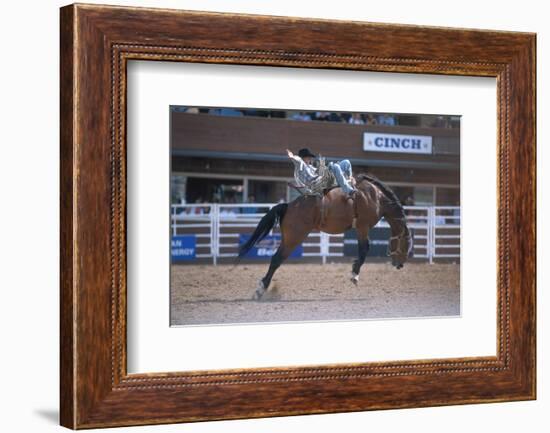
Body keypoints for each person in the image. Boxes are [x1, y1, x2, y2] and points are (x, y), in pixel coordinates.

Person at [286, 147, 357, 197]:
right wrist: (292, 156)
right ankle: (349, 191)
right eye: (308, 157)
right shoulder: (301, 165)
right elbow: (297, 160)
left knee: (346, 162)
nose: (310, 158)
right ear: (303, 157)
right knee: (336, 166)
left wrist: (326, 167)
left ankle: (350, 180)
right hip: (316, 185)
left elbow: (319, 172)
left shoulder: (310, 167)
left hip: (323, 179)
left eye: (310, 157)